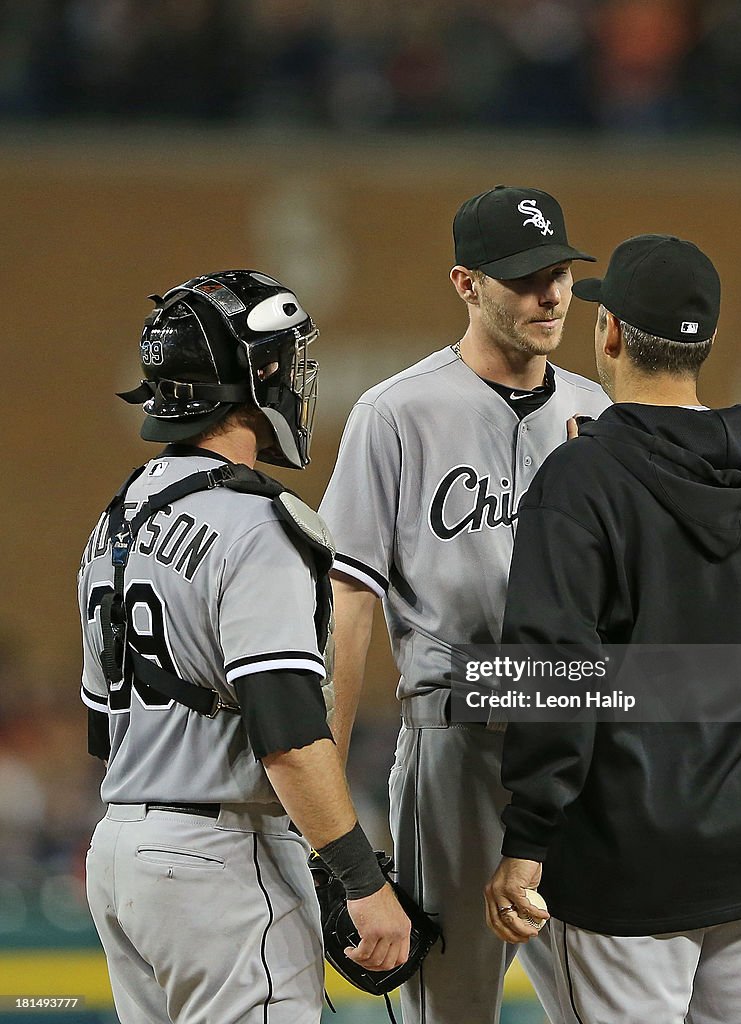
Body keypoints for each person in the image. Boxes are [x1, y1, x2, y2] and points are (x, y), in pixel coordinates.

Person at [486, 235, 741, 1024]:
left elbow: (550, 669)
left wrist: (527, 839)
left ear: (608, 334)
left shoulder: (581, 476)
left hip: (627, 859)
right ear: (702, 342)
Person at [78, 270, 410, 1024]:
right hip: (219, 862)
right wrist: (360, 881)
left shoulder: (115, 521)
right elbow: (289, 736)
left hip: (121, 852)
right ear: (253, 376)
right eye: (283, 361)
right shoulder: (257, 526)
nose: (292, 377)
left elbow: (103, 728)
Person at [318, 186, 610, 1023]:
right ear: (465, 283)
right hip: (457, 740)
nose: (549, 294)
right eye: (523, 278)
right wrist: (331, 801)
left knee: (614, 1003)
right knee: (451, 1006)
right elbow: (349, 605)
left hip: (578, 742)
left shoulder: (598, 411)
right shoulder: (397, 412)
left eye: (557, 272)